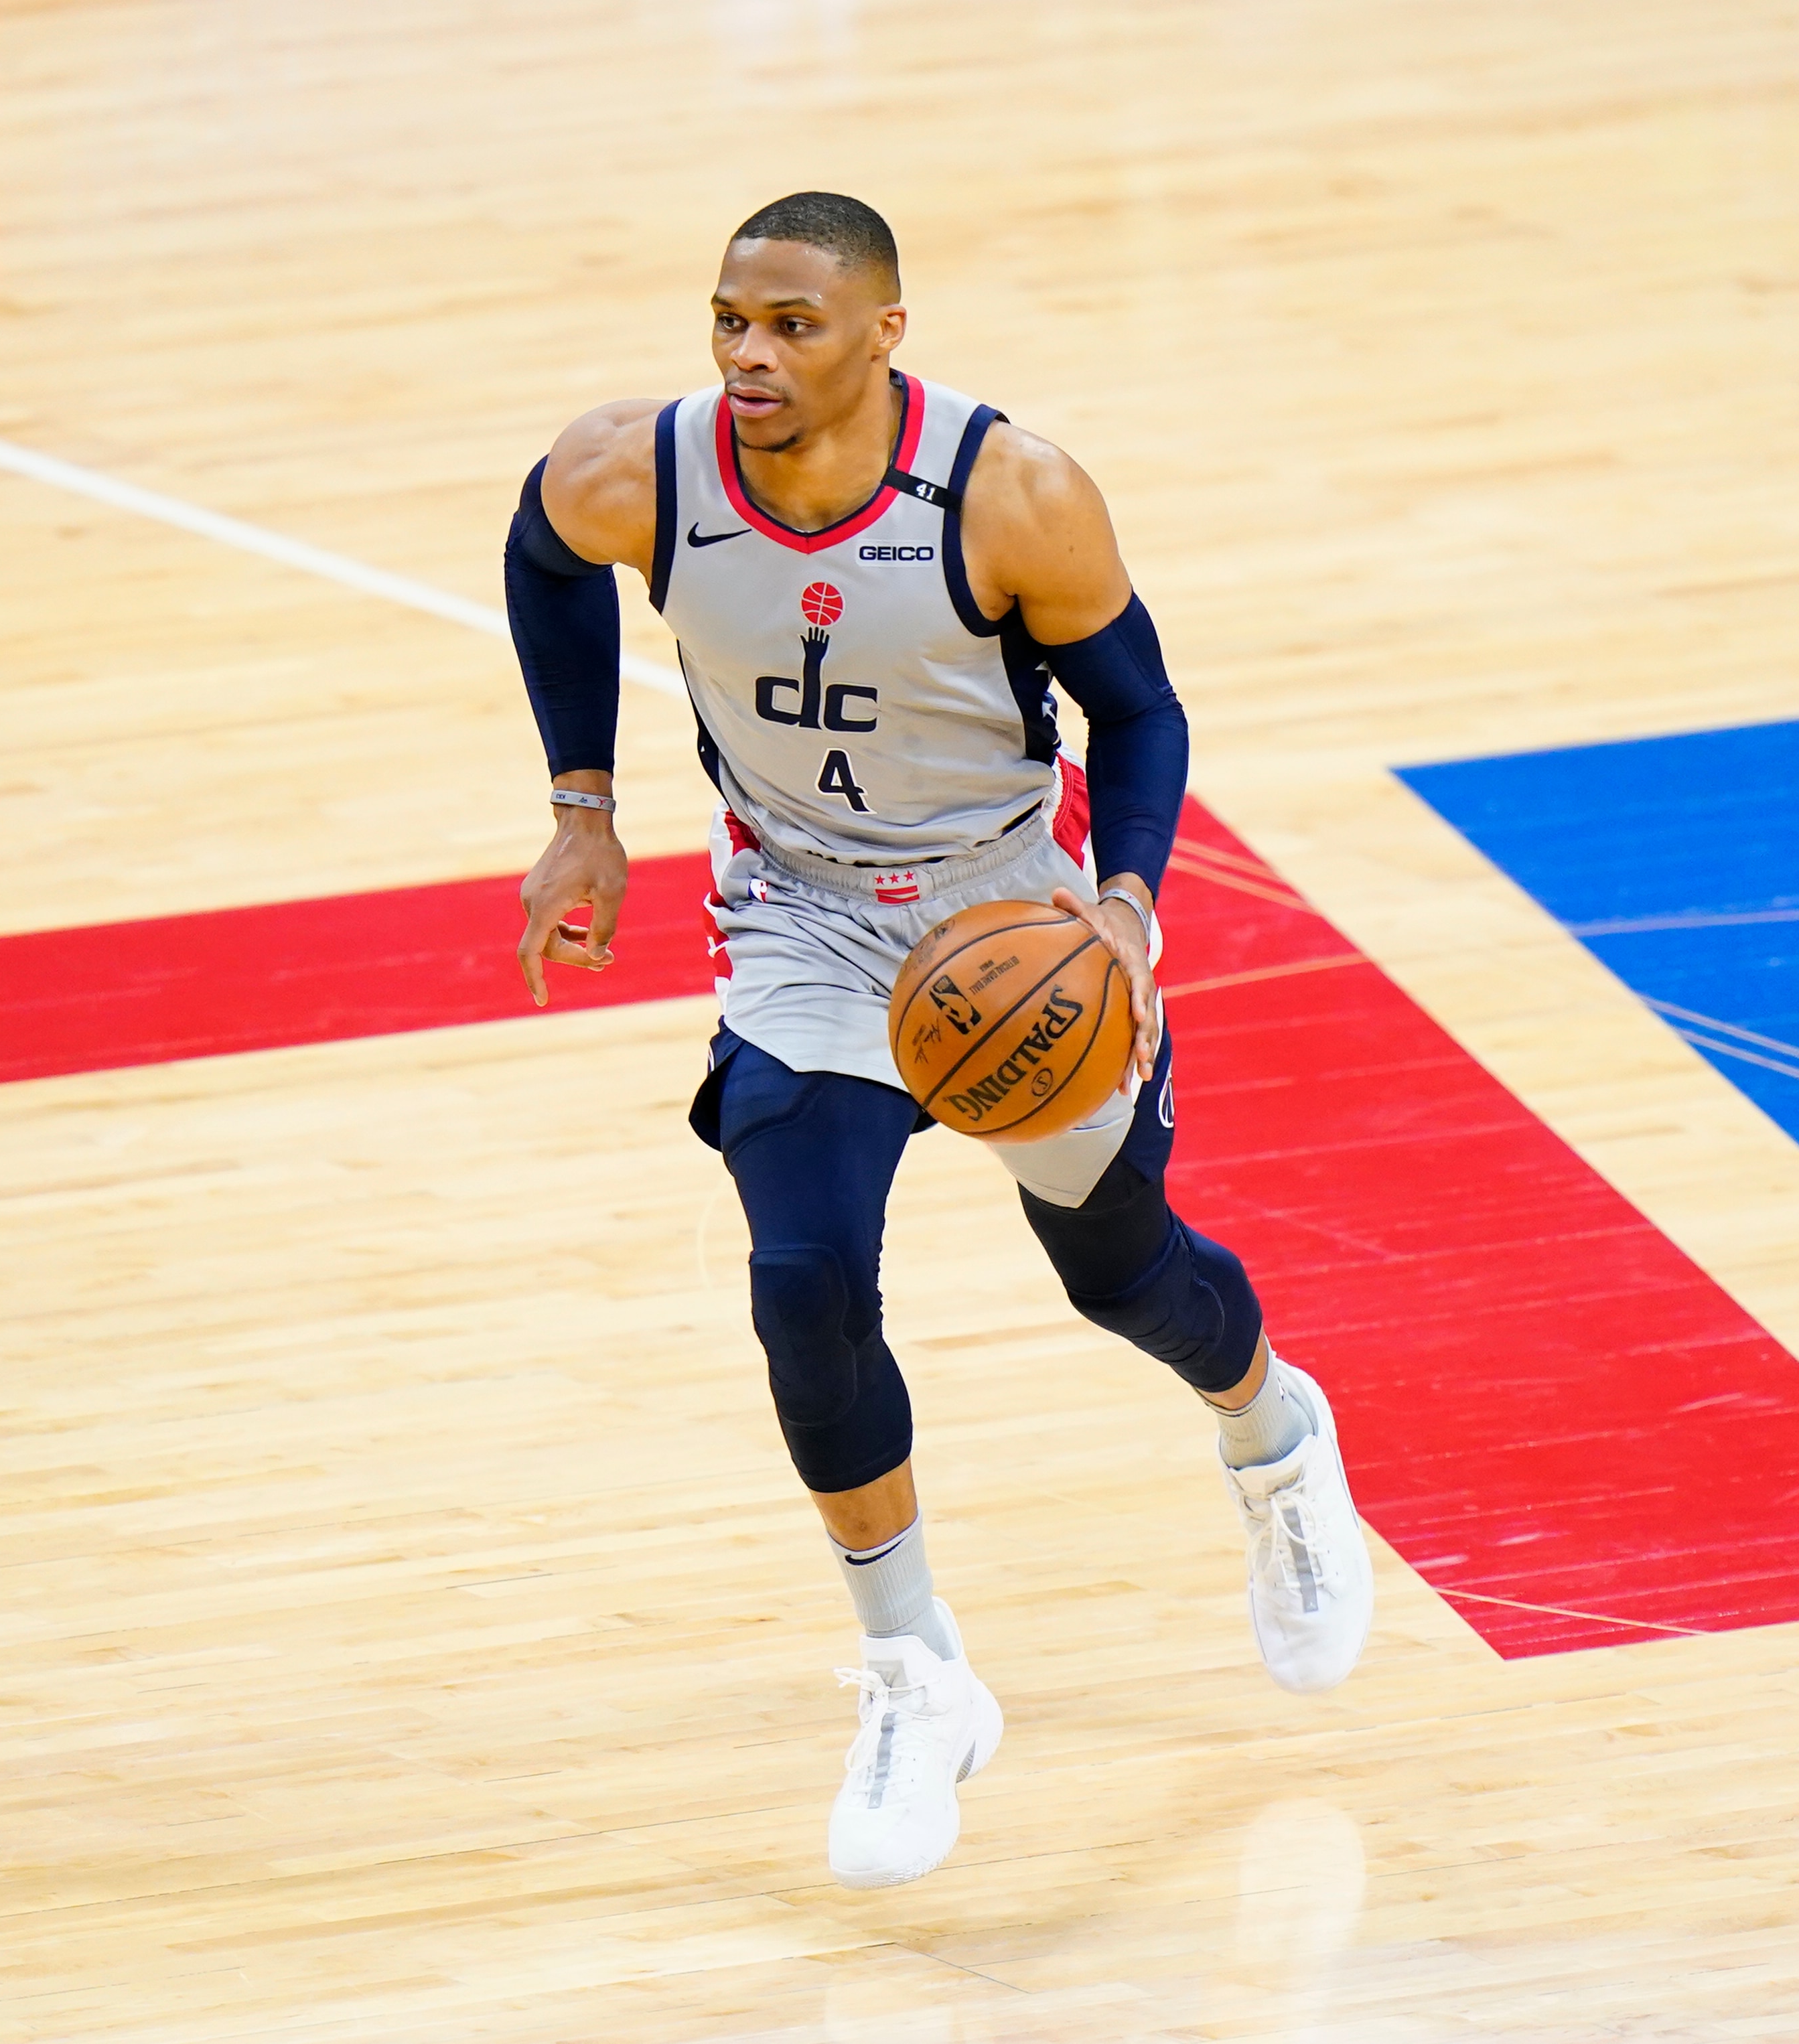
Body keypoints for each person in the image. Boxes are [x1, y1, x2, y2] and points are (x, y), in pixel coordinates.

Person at [504, 192, 1372, 1889]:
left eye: (794, 325)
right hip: (800, 922)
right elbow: (544, 560)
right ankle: (915, 1668)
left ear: (885, 333)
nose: (751, 354)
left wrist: (1119, 908)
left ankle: (1272, 1436)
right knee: (804, 1281)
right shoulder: (639, 470)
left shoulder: (1008, 492)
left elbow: (1139, 708)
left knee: (1123, 1278)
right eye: (729, 320)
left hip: (1007, 921)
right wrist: (580, 805)